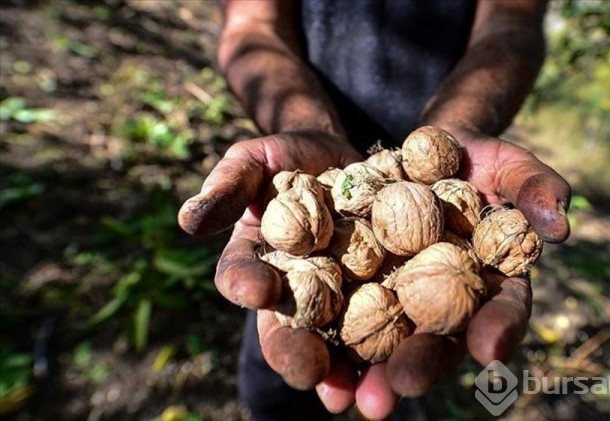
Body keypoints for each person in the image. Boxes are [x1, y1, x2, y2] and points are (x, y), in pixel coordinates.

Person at [178, 0, 571, 419]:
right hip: (320, 150)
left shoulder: (435, 215)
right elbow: (253, 26)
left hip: (439, 152)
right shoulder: (316, 222)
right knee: (279, 379)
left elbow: (511, 25)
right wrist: (305, 125)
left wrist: (458, 128)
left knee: (404, 376)